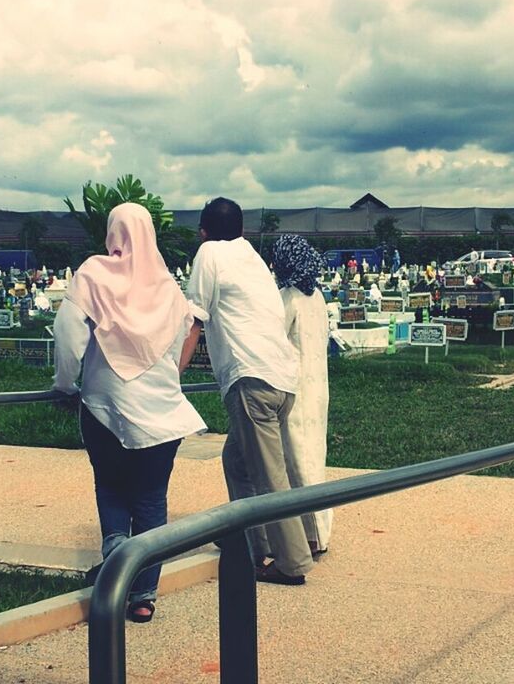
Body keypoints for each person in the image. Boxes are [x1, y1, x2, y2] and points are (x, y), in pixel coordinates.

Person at [52, 203, 205, 623]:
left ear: (112, 232)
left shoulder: (94, 274)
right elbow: (179, 351)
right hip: (162, 412)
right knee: (151, 500)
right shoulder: (169, 289)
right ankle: (143, 596)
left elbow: (67, 335)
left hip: (104, 406)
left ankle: (116, 565)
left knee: (111, 487)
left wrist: (66, 384)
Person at [186, 198, 314, 586]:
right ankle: (250, 541)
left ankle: (292, 563)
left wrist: (171, 374)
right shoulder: (252, 257)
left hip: (251, 381)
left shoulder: (208, 253)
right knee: (238, 463)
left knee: (270, 475)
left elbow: (194, 318)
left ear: (204, 231)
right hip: (281, 380)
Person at [271, 234, 333, 558]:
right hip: (318, 386)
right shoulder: (318, 296)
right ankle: (320, 531)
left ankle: (311, 536)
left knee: (298, 461)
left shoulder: (289, 297)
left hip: (296, 388)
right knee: (313, 458)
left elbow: (273, 335)